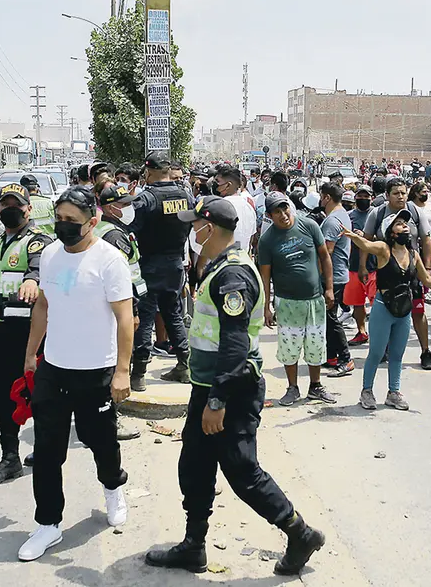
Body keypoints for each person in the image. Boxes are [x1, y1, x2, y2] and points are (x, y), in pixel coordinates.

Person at [144, 196, 326, 576]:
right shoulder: (220, 266)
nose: (190, 231)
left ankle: (299, 532)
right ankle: (194, 545)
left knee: (242, 471)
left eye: (194, 225)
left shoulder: (233, 276)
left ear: (209, 229)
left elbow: (235, 344)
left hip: (231, 389)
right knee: (194, 464)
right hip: (208, 384)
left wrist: (218, 399)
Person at [18, 186, 133, 561]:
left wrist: (121, 371)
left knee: (100, 441)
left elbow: (125, 319)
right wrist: (32, 353)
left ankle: (113, 488)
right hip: (54, 368)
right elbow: (44, 306)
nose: (64, 227)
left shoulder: (109, 260)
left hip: (96, 370)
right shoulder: (51, 255)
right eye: (60, 220)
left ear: (93, 221)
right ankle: (48, 524)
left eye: (72, 221)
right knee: (47, 450)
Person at [342, 211, 431, 410]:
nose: (405, 227)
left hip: (404, 309)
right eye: (399, 224)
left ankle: (393, 392)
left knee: (397, 354)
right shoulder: (384, 249)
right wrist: (354, 237)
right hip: (383, 307)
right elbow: (367, 245)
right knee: (376, 353)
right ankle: (366, 391)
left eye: (406, 223)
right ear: (391, 232)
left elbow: (426, 279)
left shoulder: (413, 254)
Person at [0, 183, 53, 487]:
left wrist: (32, 281)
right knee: (2, 396)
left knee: (41, 396)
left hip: (31, 333)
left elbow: (36, 270)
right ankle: (10, 458)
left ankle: (47, 450)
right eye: (4, 204)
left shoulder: (37, 242)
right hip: (3, 333)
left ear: (28, 209)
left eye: (16, 204)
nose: (10, 209)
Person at [258, 192, 337, 406]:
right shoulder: (267, 240)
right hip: (287, 302)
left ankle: (315, 386)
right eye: (277, 211)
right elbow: (265, 276)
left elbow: (325, 257)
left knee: (315, 345)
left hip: (314, 299)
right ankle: (292, 388)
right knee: (289, 347)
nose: (283, 214)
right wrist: (266, 307)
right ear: (270, 215)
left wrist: (329, 289)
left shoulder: (309, 225)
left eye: (285, 208)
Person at [129, 152, 194, 391]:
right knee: (173, 313)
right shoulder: (185, 195)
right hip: (175, 264)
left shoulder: (146, 199)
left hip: (149, 265)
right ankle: (183, 366)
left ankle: (139, 375)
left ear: (149, 170)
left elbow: (130, 229)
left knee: (145, 317)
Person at [94, 181, 151, 441]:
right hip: (119, 310)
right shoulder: (113, 235)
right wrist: (134, 312)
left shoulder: (116, 229)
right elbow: (122, 281)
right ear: (111, 208)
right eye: (124, 204)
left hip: (118, 308)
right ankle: (110, 421)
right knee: (114, 365)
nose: (130, 208)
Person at [364, 177, 431, 370]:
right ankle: (384, 349)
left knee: (418, 311)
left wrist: (427, 268)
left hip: (412, 272)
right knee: (386, 309)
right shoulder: (377, 214)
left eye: (403, 192)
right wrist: (363, 267)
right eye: (396, 193)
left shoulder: (415, 212)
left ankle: (425, 351)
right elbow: (366, 241)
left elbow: (426, 241)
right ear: (386, 196)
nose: (401, 196)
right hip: (387, 274)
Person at [319, 182, 354, 377]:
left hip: (333, 276)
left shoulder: (333, 220)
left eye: (322, 196)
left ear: (327, 198)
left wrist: (317, 275)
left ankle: (345, 358)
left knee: (331, 318)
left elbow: (326, 252)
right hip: (338, 274)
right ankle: (332, 356)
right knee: (327, 317)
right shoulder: (341, 216)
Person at [346, 186, 377, 345]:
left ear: (371, 197)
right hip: (353, 266)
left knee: (377, 305)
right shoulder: (348, 216)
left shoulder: (377, 215)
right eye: (360, 196)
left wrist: (364, 237)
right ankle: (361, 332)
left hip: (374, 266)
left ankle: (378, 337)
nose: (363, 198)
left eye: (366, 195)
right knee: (357, 303)